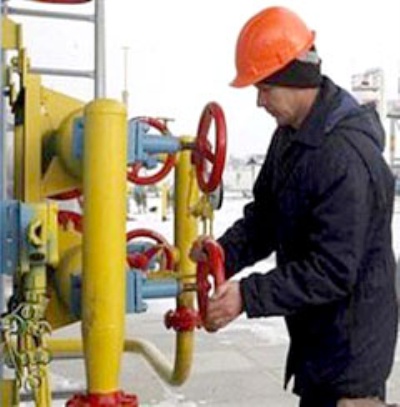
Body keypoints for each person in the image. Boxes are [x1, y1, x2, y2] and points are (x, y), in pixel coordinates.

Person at [191, 6, 398, 407]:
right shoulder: (291, 136)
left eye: (264, 89)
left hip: (351, 353)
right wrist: (222, 255)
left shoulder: (344, 155)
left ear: (294, 79)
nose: (259, 102)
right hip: (319, 339)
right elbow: (266, 218)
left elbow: (333, 269)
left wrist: (247, 296)